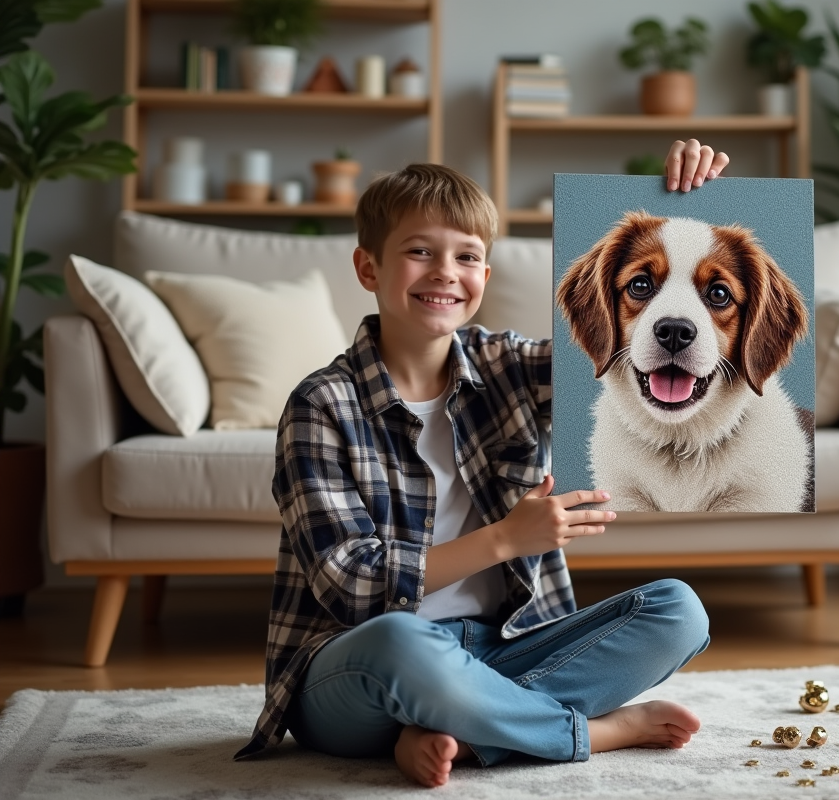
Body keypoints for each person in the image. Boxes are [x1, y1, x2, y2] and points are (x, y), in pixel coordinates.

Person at [235, 140, 731, 787]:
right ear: (368, 267)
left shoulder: (510, 367)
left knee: (679, 611)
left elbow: (626, 353)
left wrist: (684, 208)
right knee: (400, 641)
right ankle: (589, 732)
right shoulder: (320, 403)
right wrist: (504, 540)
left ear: (485, 279)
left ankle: (464, 732)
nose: (445, 271)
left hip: (503, 650)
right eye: (420, 251)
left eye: (467, 256)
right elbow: (350, 587)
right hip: (358, 671)